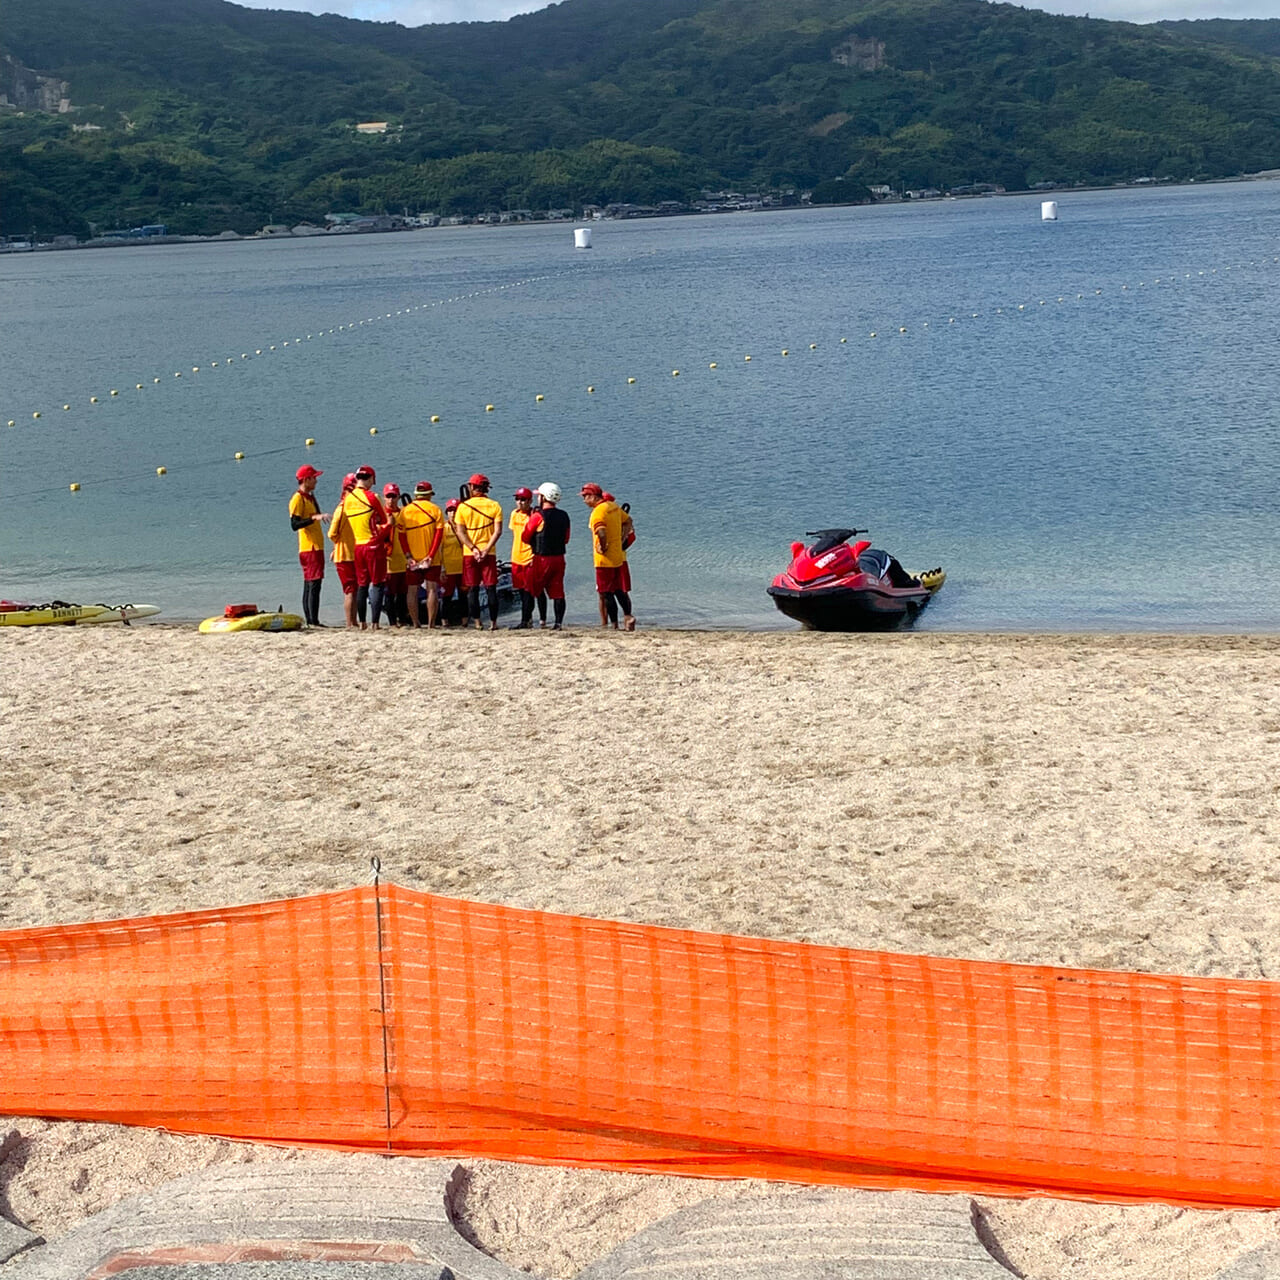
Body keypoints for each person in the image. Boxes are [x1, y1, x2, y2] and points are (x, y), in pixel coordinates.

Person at [339, 463, 387, 630]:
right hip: (372, 543)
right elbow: (384, 520)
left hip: (357, 545)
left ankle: (362, 622)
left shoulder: (347, 500)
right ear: (371, 479)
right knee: (378, 583)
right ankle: (375, 622)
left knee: (362, 585)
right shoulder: (372, 497)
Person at [454, 473, 504, 631]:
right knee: (491, 588)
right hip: (488, 553)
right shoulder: (495, 505)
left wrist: (473, 548)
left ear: (472, 487)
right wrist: (486, 549)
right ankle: (494, 623)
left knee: (473, 589)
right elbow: (497, 532)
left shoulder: (463, 507)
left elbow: (460, 532)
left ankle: (476, 622)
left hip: (470, 553)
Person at [581, 482, 634, 630]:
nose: (584, 500)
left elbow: (601, 531)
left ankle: (614, 624)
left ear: (593, 496)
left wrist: (603, 546)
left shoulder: (598, 512)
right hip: (617, 557)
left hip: (604, 560)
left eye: (585, 496)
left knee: (606, 593)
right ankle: (628, 616)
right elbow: (628, 521)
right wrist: (622, 538)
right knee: (618, 589)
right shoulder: (613, 506)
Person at [522, 481, 570, 630]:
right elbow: (566, 538)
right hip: (559, 558)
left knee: (530, 588)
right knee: (558, 592)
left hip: (541, 558)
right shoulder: (564, 515)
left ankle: (526, 621)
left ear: (543, 498)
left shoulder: (538, 516)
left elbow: (525, 536)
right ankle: (558, 623)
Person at [398, 481, 444, 629]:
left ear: (416, 494)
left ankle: (416, 623)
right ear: (429, 495)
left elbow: (401, 536)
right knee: (432, 589)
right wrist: (430, 555)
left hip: (412, 558)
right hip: (432, 558)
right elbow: (439, 535)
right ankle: (431, 624)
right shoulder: (435, 510)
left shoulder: (404, 512)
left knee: (412, 590)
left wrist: (408, 556)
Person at [289, 464, 328, 627]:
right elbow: (294, 524)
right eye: (314, 478)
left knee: (312, 583)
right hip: (309, 547)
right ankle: (313, 620)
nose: (316, 481)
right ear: (306, 479)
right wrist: (314, 518)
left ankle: (312, 619)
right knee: (313, 583)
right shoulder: (298, 499)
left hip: (316, 546)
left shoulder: (309, 497)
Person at [327, 472, 358, 629]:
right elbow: (331, 533)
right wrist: (337, 544)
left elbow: (334, 533)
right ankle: (349, 623)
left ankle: (353, 621)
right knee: (350, 591)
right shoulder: (343, 508)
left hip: (352, 553)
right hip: (345, 554)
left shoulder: (348, 507)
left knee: (354, 590)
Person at [380, 484, 409, 627]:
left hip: (403, 559)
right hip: (388, 560)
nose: (391, 500)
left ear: (398, 497)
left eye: (393, 496)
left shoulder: (404, 514)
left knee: (402, 594)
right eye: (388, 496)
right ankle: (392, 622)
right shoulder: (381, 515)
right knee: (389, 594)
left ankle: (402, 620)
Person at [508, 487, 535, 628]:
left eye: (523, 499)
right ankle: (526, 619)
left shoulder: (533, 515)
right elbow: (515, 533)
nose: (519, 502)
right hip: (516, 556)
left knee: (528, 592)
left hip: (529, 557)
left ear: (530, 501)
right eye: (517, 499)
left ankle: (526, 620)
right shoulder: (514, 514)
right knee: (519, 590)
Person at [438, 498, 466, 626]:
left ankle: (464, 621)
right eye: (450, 510)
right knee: (446, 596)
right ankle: (445, 621)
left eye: (455, 510)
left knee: (463, 595)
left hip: (463, 567)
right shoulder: (443, 528)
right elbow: (439, 550)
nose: (452, 513)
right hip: (448, 568)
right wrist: (442, 568)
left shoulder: (465, 528)